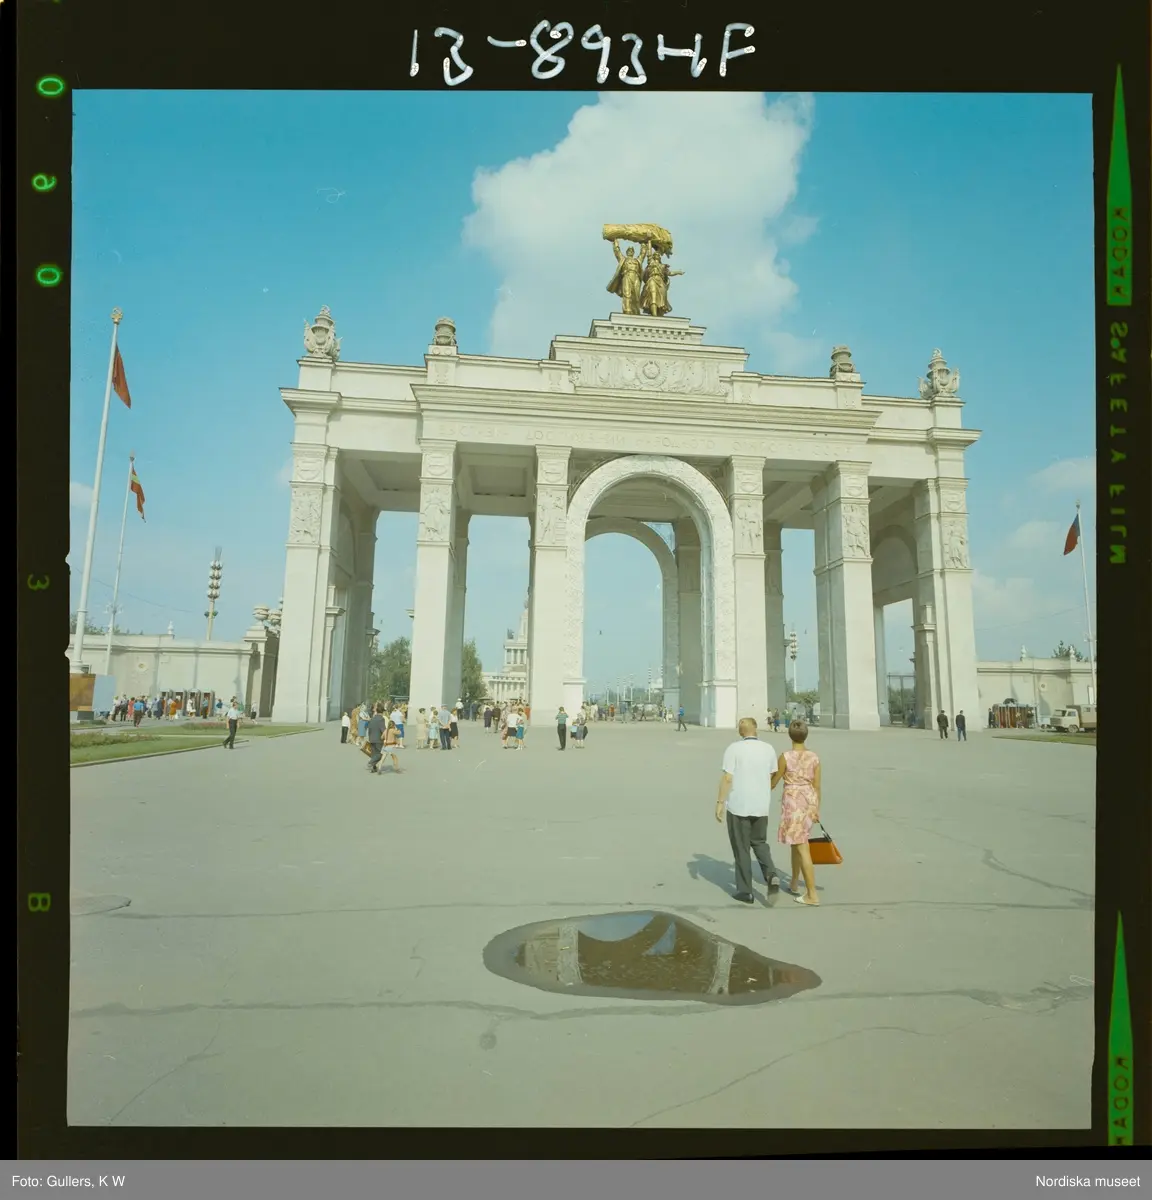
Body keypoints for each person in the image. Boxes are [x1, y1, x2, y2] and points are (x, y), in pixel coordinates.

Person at [714, 717, 780, 904]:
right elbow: (772, 773)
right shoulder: (768, 748)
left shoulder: (734, 748)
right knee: (759, 842)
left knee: (741, 847)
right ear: (756, 728)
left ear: (740, 731)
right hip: (761, 804)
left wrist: (720, 802)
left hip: (739, 805)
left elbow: (727, 778)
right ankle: (771, 873)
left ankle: (745, 891)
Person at [773, 719, 822, 906]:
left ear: (790, 736)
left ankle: (812, 894)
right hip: (809, 800)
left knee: (802, 846)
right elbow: (817, 785)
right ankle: (794, 881)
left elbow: (774, 780)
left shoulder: (785, 757)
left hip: (793, 802)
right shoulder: (814, 757)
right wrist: (816, 808)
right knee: (796, 842)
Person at [365, 704, 387, 773]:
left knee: (374, 754)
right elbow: (383, 730)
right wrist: (386, 738)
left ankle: (374, 768)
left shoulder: (372, 718)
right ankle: (370, 763)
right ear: (382, 712)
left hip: (371, 738)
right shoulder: (381, 719)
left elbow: (369, 728)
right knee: (380, 754)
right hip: (378, 739)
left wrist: (369, 738)